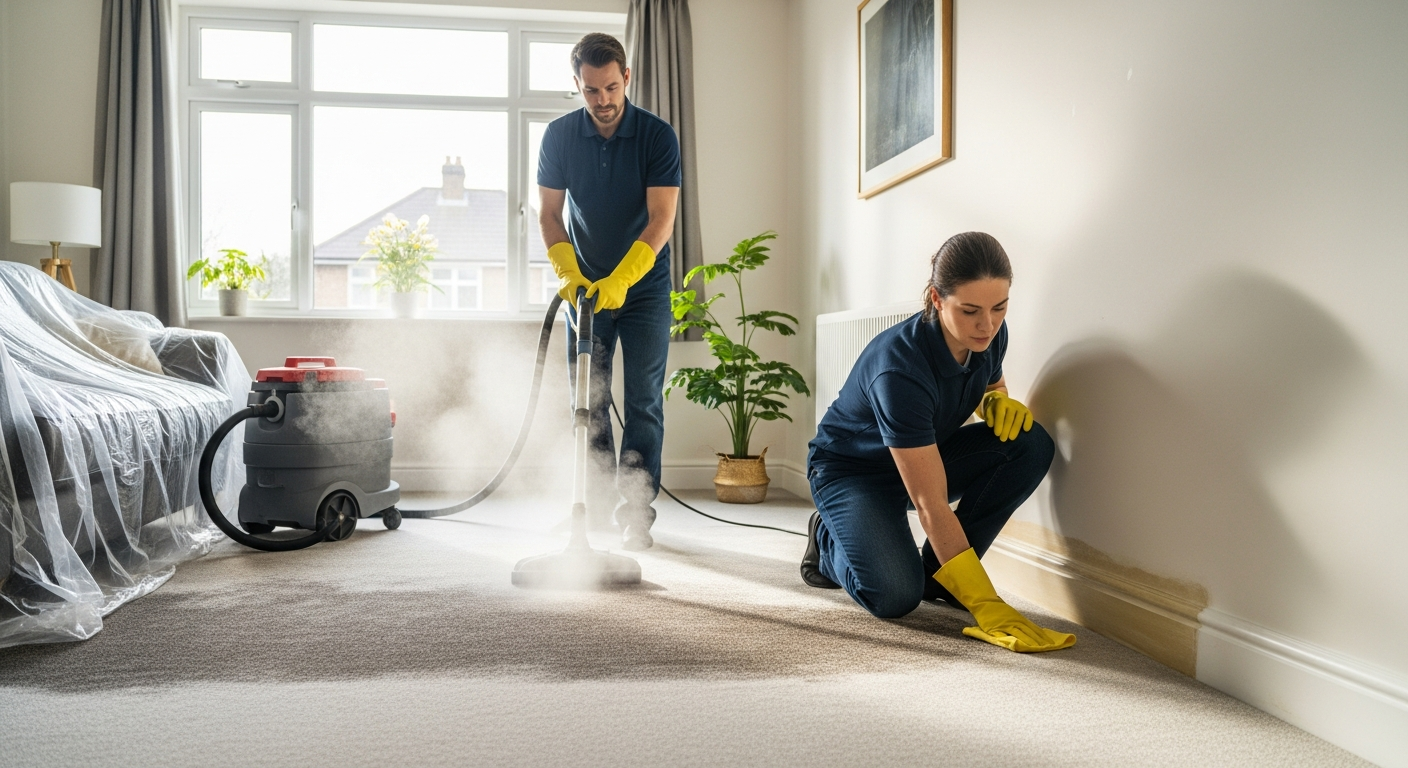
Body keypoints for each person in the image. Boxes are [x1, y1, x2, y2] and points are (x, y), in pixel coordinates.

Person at [802, 232, 1074, 652]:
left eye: (999, 307)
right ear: (936, 298)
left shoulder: (988, 335)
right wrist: (985, 603)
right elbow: (930, 504)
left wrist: (995, 401)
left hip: (922, 455)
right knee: (894, 595)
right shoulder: (900, 370)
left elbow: (992, 384)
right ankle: (826, 538)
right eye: (970, 311)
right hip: (853, 473)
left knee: (1029, 444)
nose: (987, 325)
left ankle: (939, 575)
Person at [537, 33, 681, 550]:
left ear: (627, 78)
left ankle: (635, 514)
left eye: (612, 87)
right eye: (591, 90)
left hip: (643, 288)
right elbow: (549, 215)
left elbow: (662, 219)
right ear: (577, 84)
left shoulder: (657, 136)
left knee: (643, 402)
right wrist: (569, 275)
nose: (603, 100)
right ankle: (592, 510)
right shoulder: (558, 137)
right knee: (588, 402)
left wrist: (623, 278)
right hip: (585, 289)